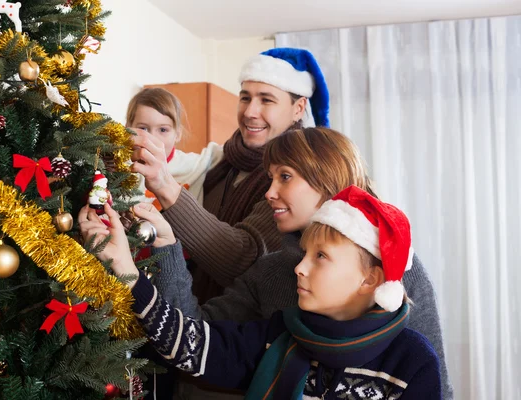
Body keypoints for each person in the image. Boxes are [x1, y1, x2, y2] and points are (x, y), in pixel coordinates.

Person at [90, 127, 454, 399]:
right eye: (270, 177)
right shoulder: (273, 282)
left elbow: (434, 379)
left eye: (285, 177)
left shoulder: (399, 279)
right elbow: (196, 339)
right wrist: (161, 249)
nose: (269, 191)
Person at [131, 48, 330, 302]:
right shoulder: (218, 162)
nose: (250, 112)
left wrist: (165, 186)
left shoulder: (297, 180)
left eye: (266, 100)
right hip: (185, 311)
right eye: (245, 98)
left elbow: (245, 260)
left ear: (299, 108)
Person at [125, 87, 224, 209]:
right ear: (128, 129)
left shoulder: (197, 164)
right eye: (143, 128)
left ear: (178, 134)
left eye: (163, 130)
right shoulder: (120, 167)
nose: (151, 138)